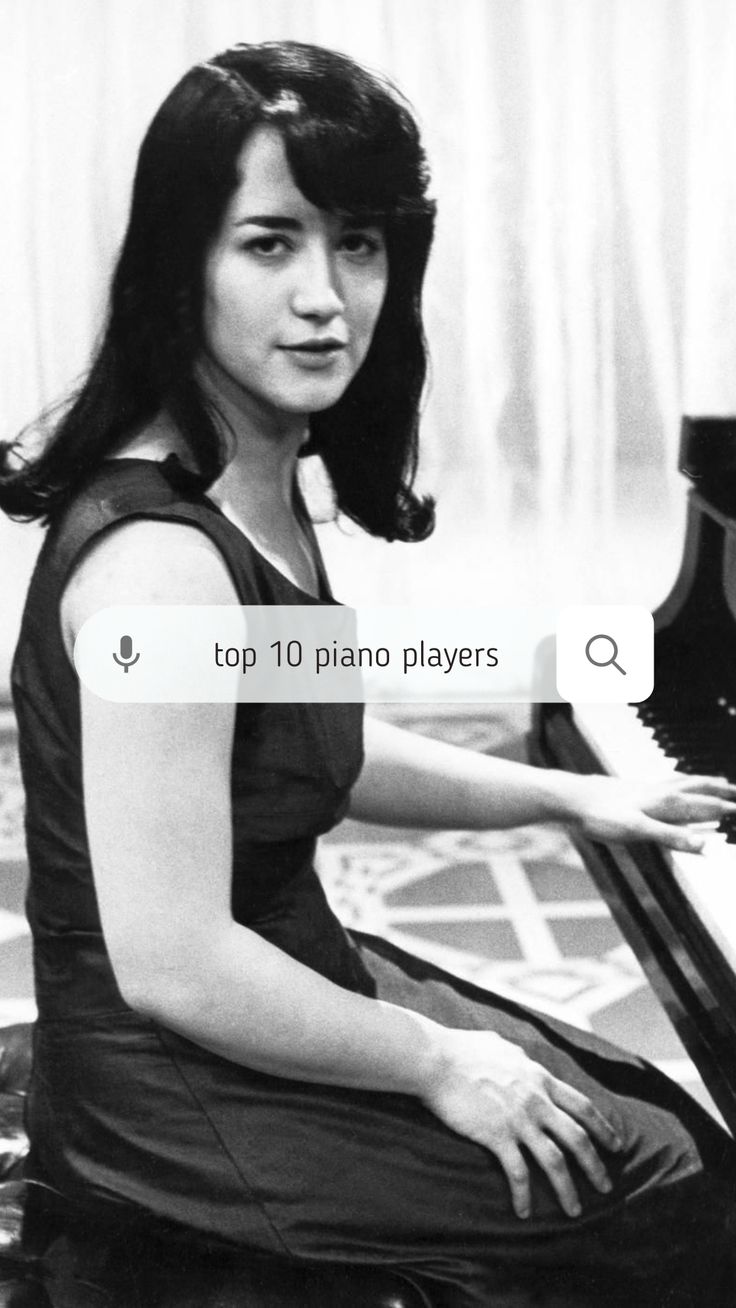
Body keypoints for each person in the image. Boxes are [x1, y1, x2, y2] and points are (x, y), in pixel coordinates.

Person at [2, 40, 734, 1308]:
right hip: (179, 1076)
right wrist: (434, 1061)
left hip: (279, 975)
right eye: (270, 242)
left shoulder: (256, 486)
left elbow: (316, 741)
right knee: (664, 1194)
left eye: (359, 243)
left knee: (651, 1115)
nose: (328, 298)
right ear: (182, 261)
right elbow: (172, 959)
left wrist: (571, 798)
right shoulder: (162, 566)